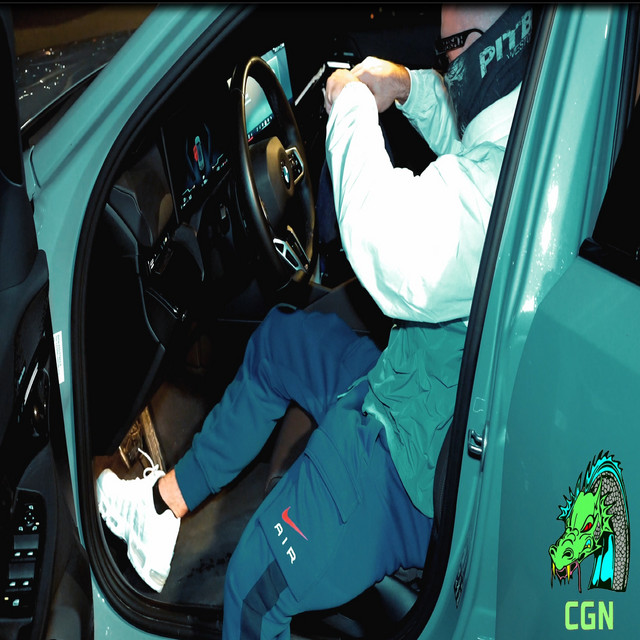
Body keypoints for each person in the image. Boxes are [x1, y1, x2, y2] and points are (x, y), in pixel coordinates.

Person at [97, 4, 533, 638]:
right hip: (423, 380)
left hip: (412, 456)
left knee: (251, 593)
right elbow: (476, 137)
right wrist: (406, 88)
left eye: (452, 51)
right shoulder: (533, 121)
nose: (447, 68)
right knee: (280, 342)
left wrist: (350, 105)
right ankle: (165, 510)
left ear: (503, 41)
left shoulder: (511, 176)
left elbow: (393, 254)